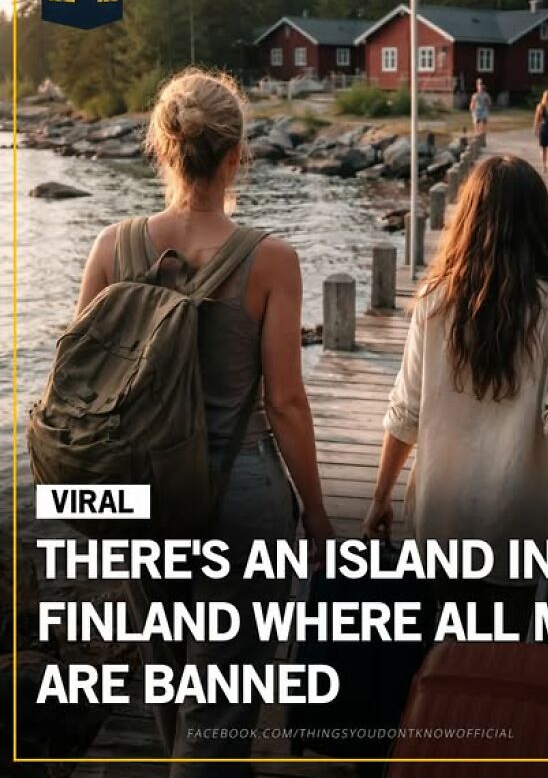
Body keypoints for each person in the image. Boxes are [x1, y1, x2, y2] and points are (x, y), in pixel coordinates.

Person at [73, 67, 334, 775]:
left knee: (169, 676)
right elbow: (284, 402)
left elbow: (80, 391)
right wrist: (315, 511)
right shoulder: (269, 260)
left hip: (144, 500)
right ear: (235, 155)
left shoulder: (111, 246)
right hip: (238, 498)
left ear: (161, 147)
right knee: (223, 704)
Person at [363, 155, 548, 637]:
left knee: (442, 676)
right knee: (513, 680)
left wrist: (379, 498)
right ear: (542, 222)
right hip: (525, 538)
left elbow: (405, 412)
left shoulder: (434, 301)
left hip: (439, 527)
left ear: (467, 221)